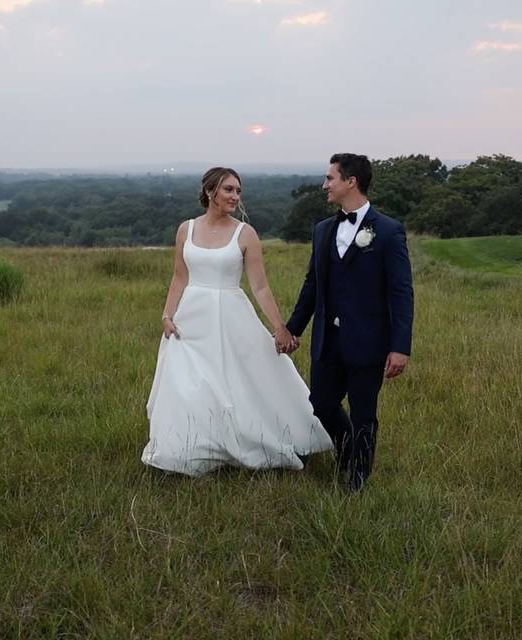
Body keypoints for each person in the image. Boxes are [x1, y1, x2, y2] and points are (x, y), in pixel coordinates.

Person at [142, 167, 333, 476]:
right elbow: (180, 276)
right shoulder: (185, 229)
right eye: (229, 190)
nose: (235, 196)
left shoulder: (245, 234)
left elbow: (260, 286)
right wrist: (167, 315)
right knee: (190, 384)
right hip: (190, 319)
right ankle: (189, 448)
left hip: (230, 315)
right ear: (210, 192)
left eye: (238, 191)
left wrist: (279, 327)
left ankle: (256, 439)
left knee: (239, 380)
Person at [285, 153, 414, 493]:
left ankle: (358, 477)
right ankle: (347, 452)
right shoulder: (323, 230)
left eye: (330, 178)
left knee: (363, 413)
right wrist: (292, 329)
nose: (325, 184)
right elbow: (312, 284)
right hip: (328, 340)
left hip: (369, 341)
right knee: (322, 405)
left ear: (350, 181)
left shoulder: (387, 231)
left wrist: (400, 347)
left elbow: (401, 292)